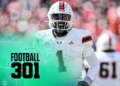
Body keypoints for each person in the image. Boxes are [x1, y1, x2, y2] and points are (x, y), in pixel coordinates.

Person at [33, 1, 99, 86]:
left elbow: (94, 63)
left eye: (64, 17)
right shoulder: (41, 37)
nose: (60, 20)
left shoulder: (81, 36)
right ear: (50, 17)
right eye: (56, 16)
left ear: (71, 18)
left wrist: (87, 80)